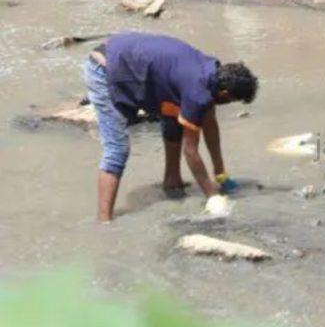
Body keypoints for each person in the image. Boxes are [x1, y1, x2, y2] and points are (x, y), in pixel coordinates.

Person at [83, 32, 258, 222]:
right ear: (224, 93)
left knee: (174, 116)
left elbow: (210, 125)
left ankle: (172, 182)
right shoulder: (197, 91)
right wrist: (211, 194)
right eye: (233, 101)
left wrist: (220, 173)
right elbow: (190, 151)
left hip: (128, 56)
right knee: (117, 149)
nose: (229, 104)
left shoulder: (212, 72)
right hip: (106, 68)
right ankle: (104, 222)